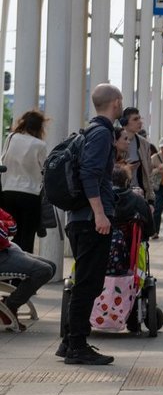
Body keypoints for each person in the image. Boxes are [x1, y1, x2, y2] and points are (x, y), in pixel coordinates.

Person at [57, 82, 124, 365]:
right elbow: (90, 174)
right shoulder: (101, 134)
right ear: (116, 103)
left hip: (81, 218)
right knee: (88, 282)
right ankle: (77, 345)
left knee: (85, 280)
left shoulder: (92, 131)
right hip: (90, 219)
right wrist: (99, 214)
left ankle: (69, 341)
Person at [0, 110, 50, 255]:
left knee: (9, 237)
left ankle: (8, 271)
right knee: (27, 238)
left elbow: (4, 159)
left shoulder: (11, 137)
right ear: (40, 127)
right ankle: (22, 274)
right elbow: (44, 170)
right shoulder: (40, 145)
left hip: (8, 192)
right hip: (30, 195)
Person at [0, 207, 55, 331]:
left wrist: (3, 225)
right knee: (44, 270)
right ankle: (10, 305)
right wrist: (4, 226)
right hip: (3, 253)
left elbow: (13, 227)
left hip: (6, 248)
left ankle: (10, 303)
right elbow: (3, 234)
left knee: (51, 266)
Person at [119, 107, 155, 213]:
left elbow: (148, 172)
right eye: (135, 119)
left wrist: (151, 198)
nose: (139, 122)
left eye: (140, 119)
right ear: (124, 122)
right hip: (122, 194)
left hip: (140, 194)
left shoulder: (144, 144)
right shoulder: (116, 140)